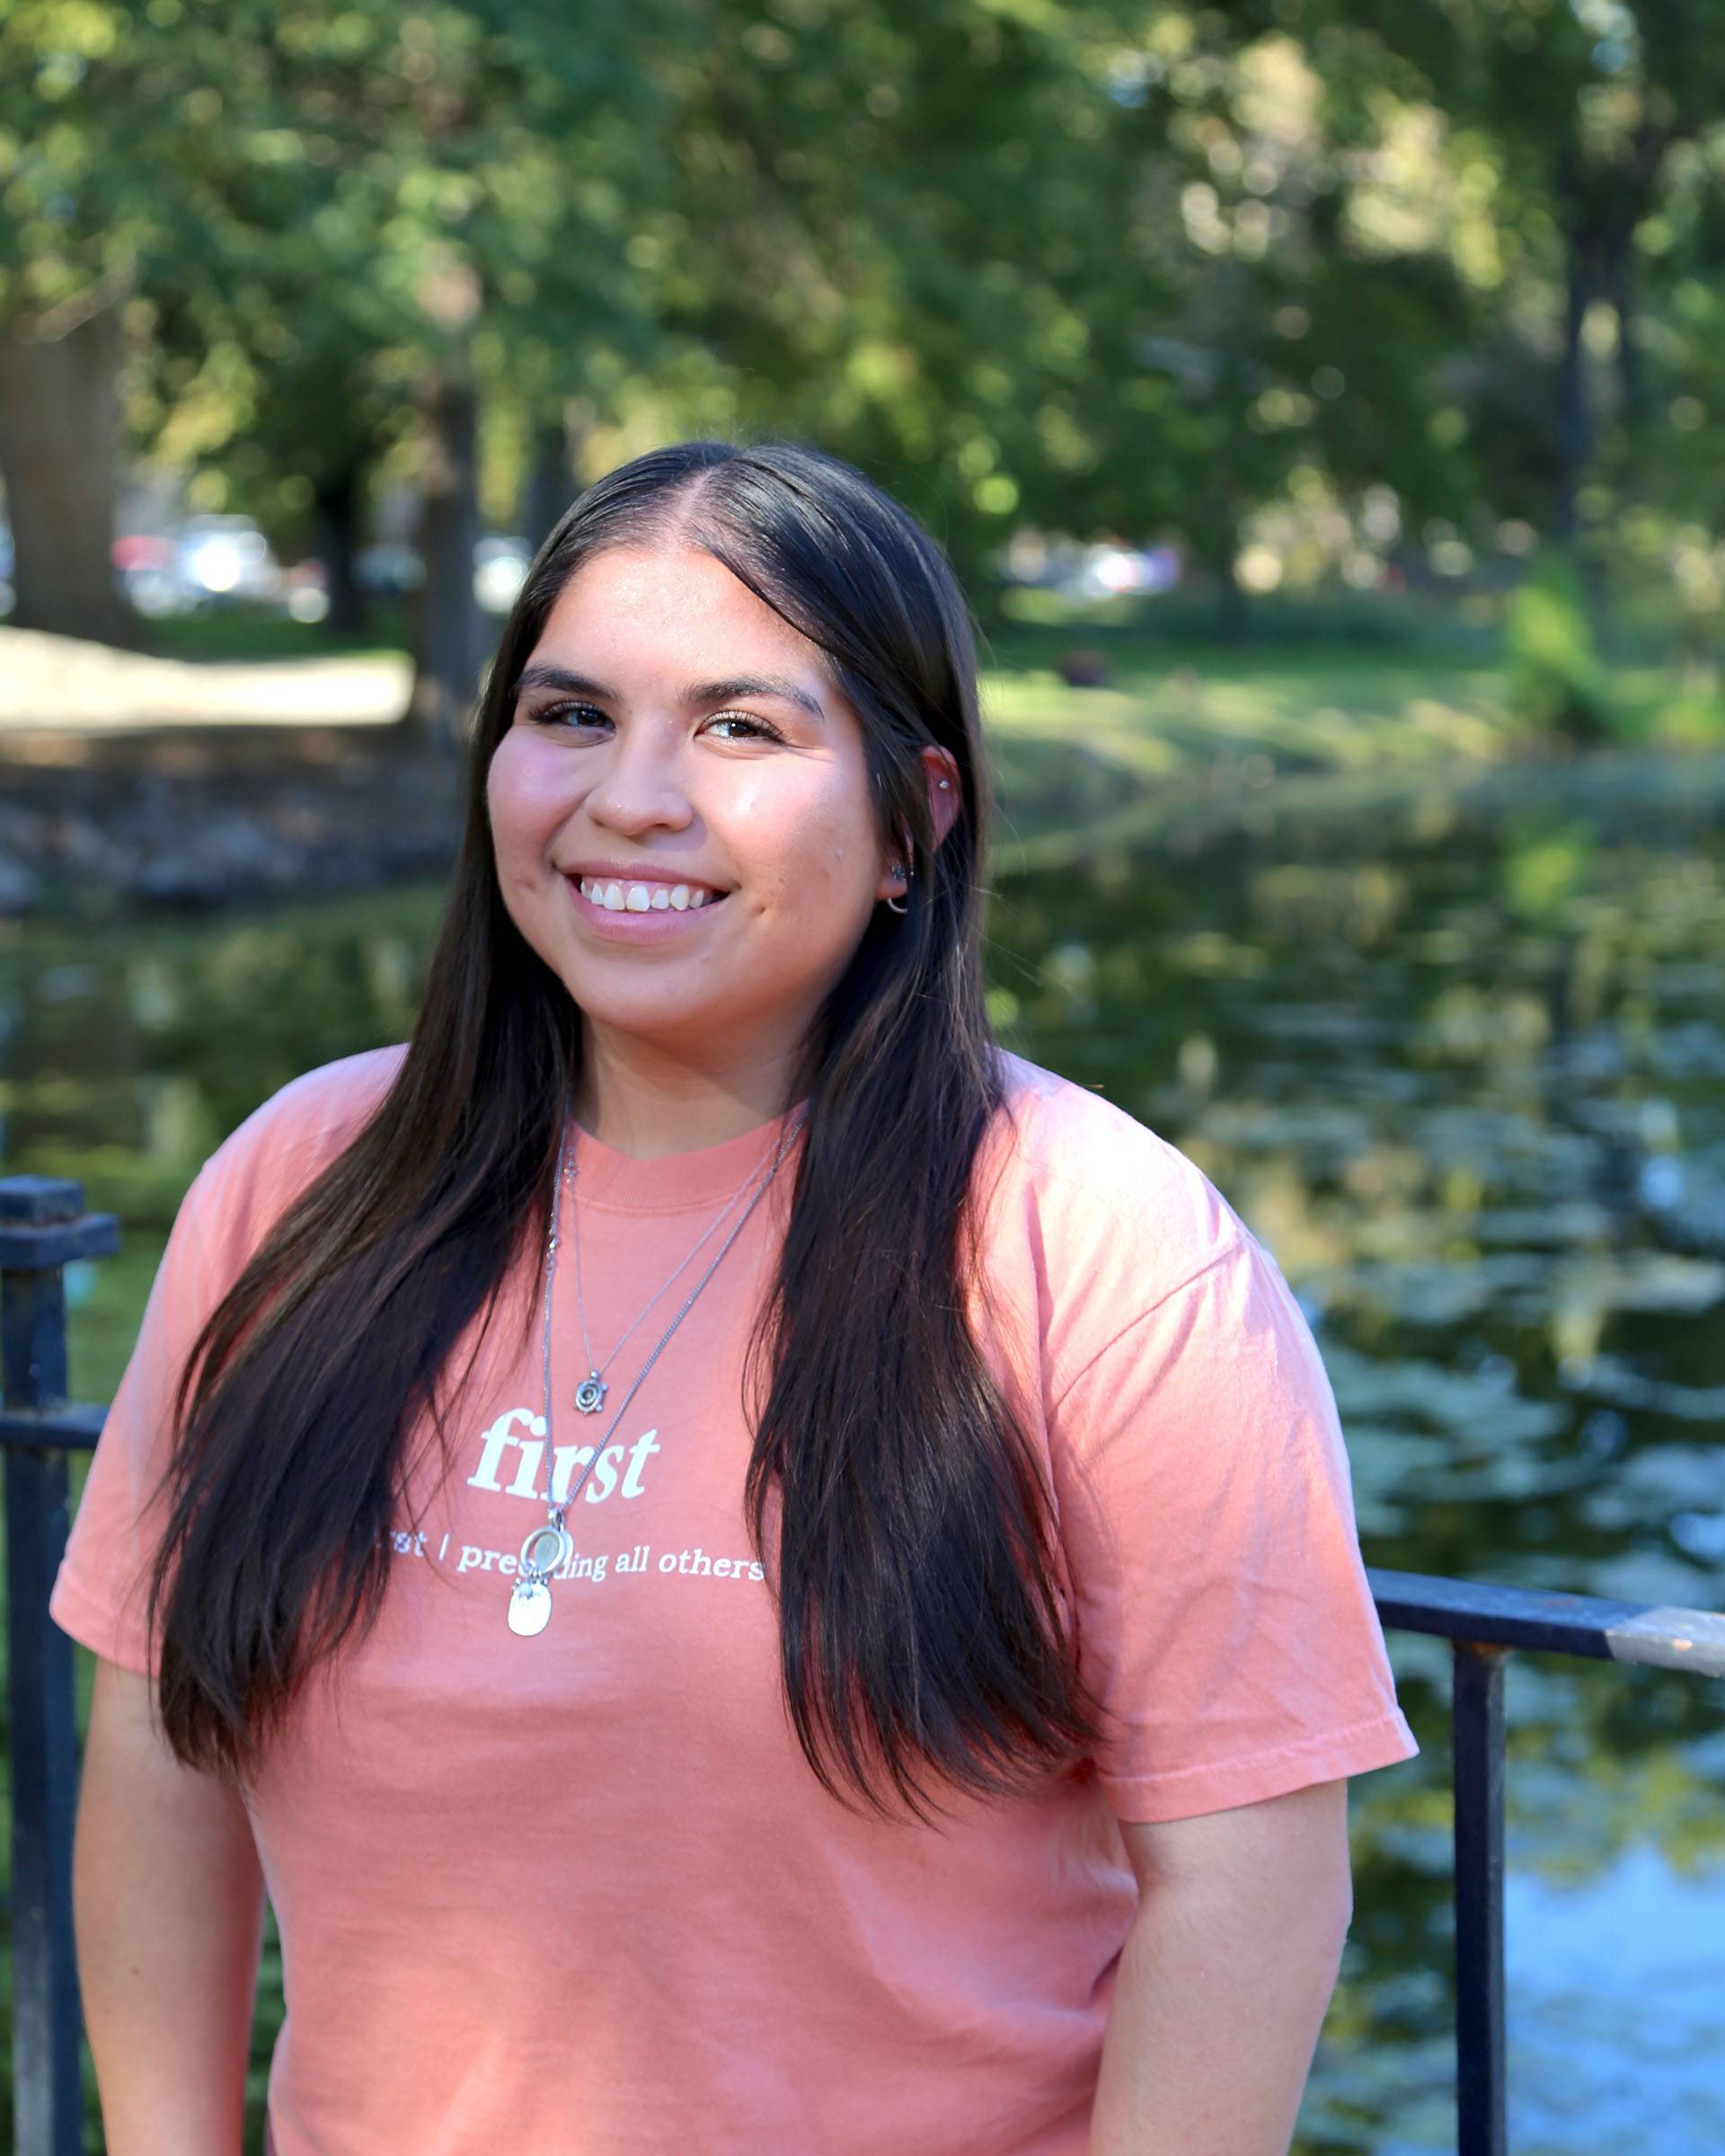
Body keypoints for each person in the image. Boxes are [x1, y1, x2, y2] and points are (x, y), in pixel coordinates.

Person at [52, 437, 1419, 2156]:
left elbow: (1247, 1880)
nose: (632, 796)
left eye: (740, 728)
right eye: (568, 718)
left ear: (914, 815)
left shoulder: (1103, 1247)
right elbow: (162, 1742)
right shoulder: (298, 1185)